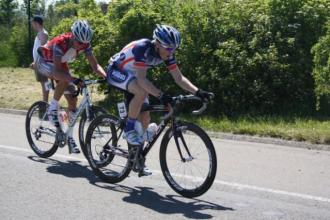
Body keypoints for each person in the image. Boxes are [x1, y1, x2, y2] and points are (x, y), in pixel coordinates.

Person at [107, 24, 213, 175]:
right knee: (141, 92)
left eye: (174, 49)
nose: (172, 52)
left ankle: (137, 159)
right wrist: (161, 95)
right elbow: (142, 80)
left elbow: (179, 78)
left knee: (145, 117)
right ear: (157, 43)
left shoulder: (166, 54)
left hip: (133, 76)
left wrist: (198, 91)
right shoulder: (143, 47)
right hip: (116, 71)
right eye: (169, 48)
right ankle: (129, 129)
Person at [36, 20, 107, 153]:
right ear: (73, 36)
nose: (82, 46)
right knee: (64, 79)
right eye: (80, 43)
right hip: (44, 62)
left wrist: (106, 76)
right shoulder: (60, 43)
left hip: (59, 63)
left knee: (73, 100)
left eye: (85, 43)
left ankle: (68, 135)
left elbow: (95, 66)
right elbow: (57, 72)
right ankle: (52, 109)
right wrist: (73, 79)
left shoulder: (84, 44)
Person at [30, 15, 49, 103]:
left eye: (33, 23)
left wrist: (36, 62)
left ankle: (45, 103)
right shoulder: (40, 33)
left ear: (37, 23)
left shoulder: (43, 34)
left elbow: (42, 50)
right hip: (39, 63)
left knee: (44, 82)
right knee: (43, 83)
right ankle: (45, 102)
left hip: (41, 63)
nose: (32, 25)